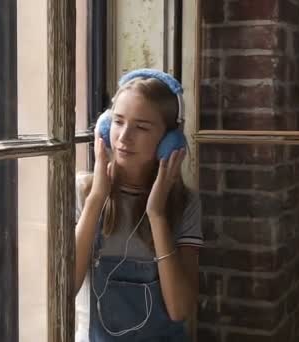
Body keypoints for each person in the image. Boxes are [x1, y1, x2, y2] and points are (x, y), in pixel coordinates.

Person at [74, 69, 203, 341]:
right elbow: (63, 290)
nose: (123, 137)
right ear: (105, 126)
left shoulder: (185, 204)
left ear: (169, 142)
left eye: (142, 127)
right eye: (118, 122)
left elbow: (179, 309)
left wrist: (156, 215)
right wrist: (97, 198)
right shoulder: (82, 192)